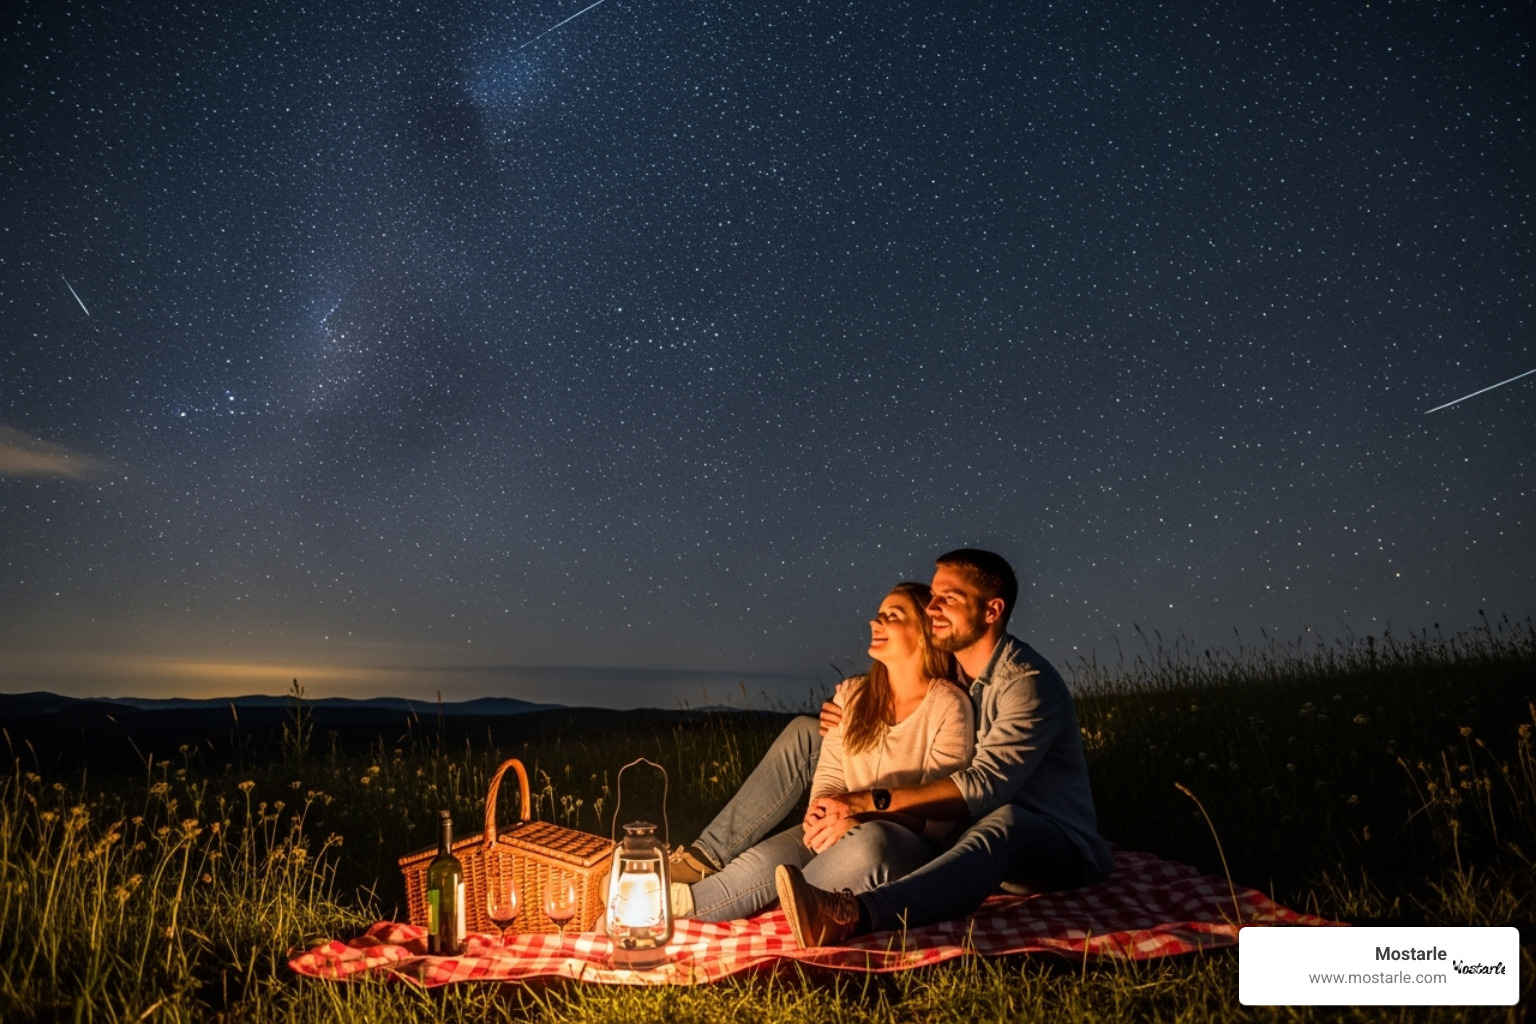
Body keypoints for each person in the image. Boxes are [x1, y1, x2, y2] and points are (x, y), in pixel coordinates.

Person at [670, 548, 1114, 947]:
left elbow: (983, 788)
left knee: (1007, 821)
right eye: (932, 598)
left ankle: (856, 911)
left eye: (949, 598)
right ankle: (693, 873)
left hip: (1045, 841)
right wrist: (830, 782)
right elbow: (902, 692)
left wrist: (862, 804)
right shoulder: (953, 670)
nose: (933, 607)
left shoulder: (1024, 684)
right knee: (807, 733)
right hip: (956, 829)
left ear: (992, 610)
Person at [676, 581, 974, 921]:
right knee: (760, 863)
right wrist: (820, 816)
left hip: (902, 840)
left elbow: (939, 821)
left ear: (923, 634)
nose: (875, 622)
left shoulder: (948, 705)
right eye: (879, 614)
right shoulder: (853, 694)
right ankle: (659, 911)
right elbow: (830, 772)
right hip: (841, 822)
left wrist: (861, 818)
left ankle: (790, 909)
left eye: (893, 616)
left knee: (868, 844)